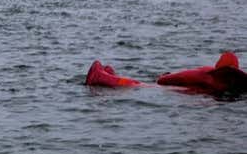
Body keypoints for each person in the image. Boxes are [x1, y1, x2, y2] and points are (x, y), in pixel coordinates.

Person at [85, 52, 247, 96]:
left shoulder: (208, 74)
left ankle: (101, 78)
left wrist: (163, 77)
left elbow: (168, 80)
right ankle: (109, 78)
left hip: (177, 90)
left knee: (141, 86)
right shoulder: (226, 85)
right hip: (194, 92)